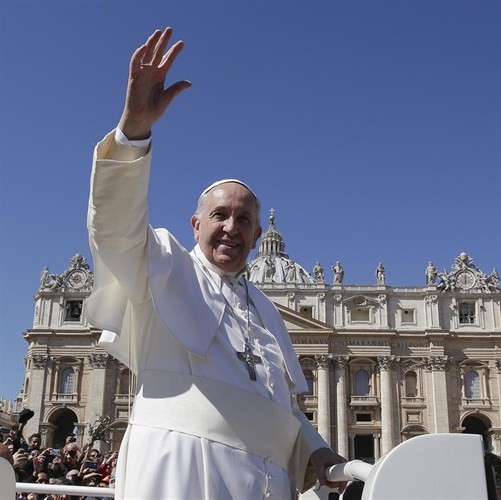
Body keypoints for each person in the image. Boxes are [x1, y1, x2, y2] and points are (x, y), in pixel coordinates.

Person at [85, 28, 345, 499]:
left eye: (243, 220)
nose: (231, 227)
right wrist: (132, 134)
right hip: (178, 469)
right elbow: (115, 227)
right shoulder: (162, 268)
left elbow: (278, 408)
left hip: (264, 480)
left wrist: (317, 451)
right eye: (220, 215)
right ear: (195, 224)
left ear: (257, 235)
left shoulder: (268, 312)